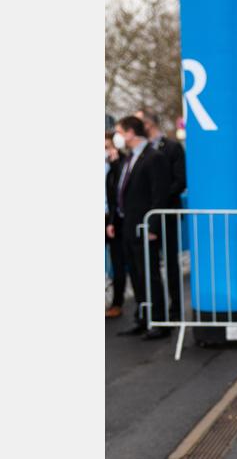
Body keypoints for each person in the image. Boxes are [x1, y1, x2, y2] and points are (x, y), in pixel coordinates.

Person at [107, 116, 172, 340]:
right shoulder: (128, 159)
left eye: (119, 131)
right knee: (135, 274)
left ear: (130, 132)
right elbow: (120, 193)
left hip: (145, 227)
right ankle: (142, 317)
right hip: (128, 227)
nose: (117, 136)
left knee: (150, 274)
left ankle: (159, 321)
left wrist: (153, 226)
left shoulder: (154, 158)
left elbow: (159, 194)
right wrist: (114, 222)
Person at [135, 108, 186, 321]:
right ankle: (153, 312)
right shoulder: (140, 151)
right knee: (149, 266)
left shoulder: (172, 148)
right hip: (148, 216)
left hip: (166, 215)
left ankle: (175, 311)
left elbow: (180, 180)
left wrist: (159, 200)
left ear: (147, 124)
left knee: (172, 264)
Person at [105, 132, 130, 318]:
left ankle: (117, 303)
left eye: (106, 147)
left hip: (112, 220)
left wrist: (114, 163)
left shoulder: (121, 164)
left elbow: (119, 193)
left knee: (118, 262)